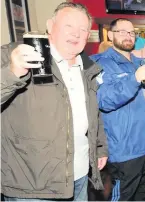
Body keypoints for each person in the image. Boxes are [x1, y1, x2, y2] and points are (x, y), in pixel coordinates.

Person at [1, 2, 108, 201]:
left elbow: (92, 113)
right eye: (69, 26)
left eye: (83, 29)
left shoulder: (88, 67)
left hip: (79, 176)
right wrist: (12, 73)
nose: (76, 34)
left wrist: (100, 146)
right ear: (50, 26)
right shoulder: (14, 55)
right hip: (33, 185)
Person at [90, 18, 145, 201]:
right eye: (122, 31)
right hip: (124, 148)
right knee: (123, 197)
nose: (128, 36)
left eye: (131, 32)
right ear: (111, 34)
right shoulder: (100, 63)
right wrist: (134, 79)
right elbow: (104, 100)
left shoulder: (138, 62)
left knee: (143, 195)